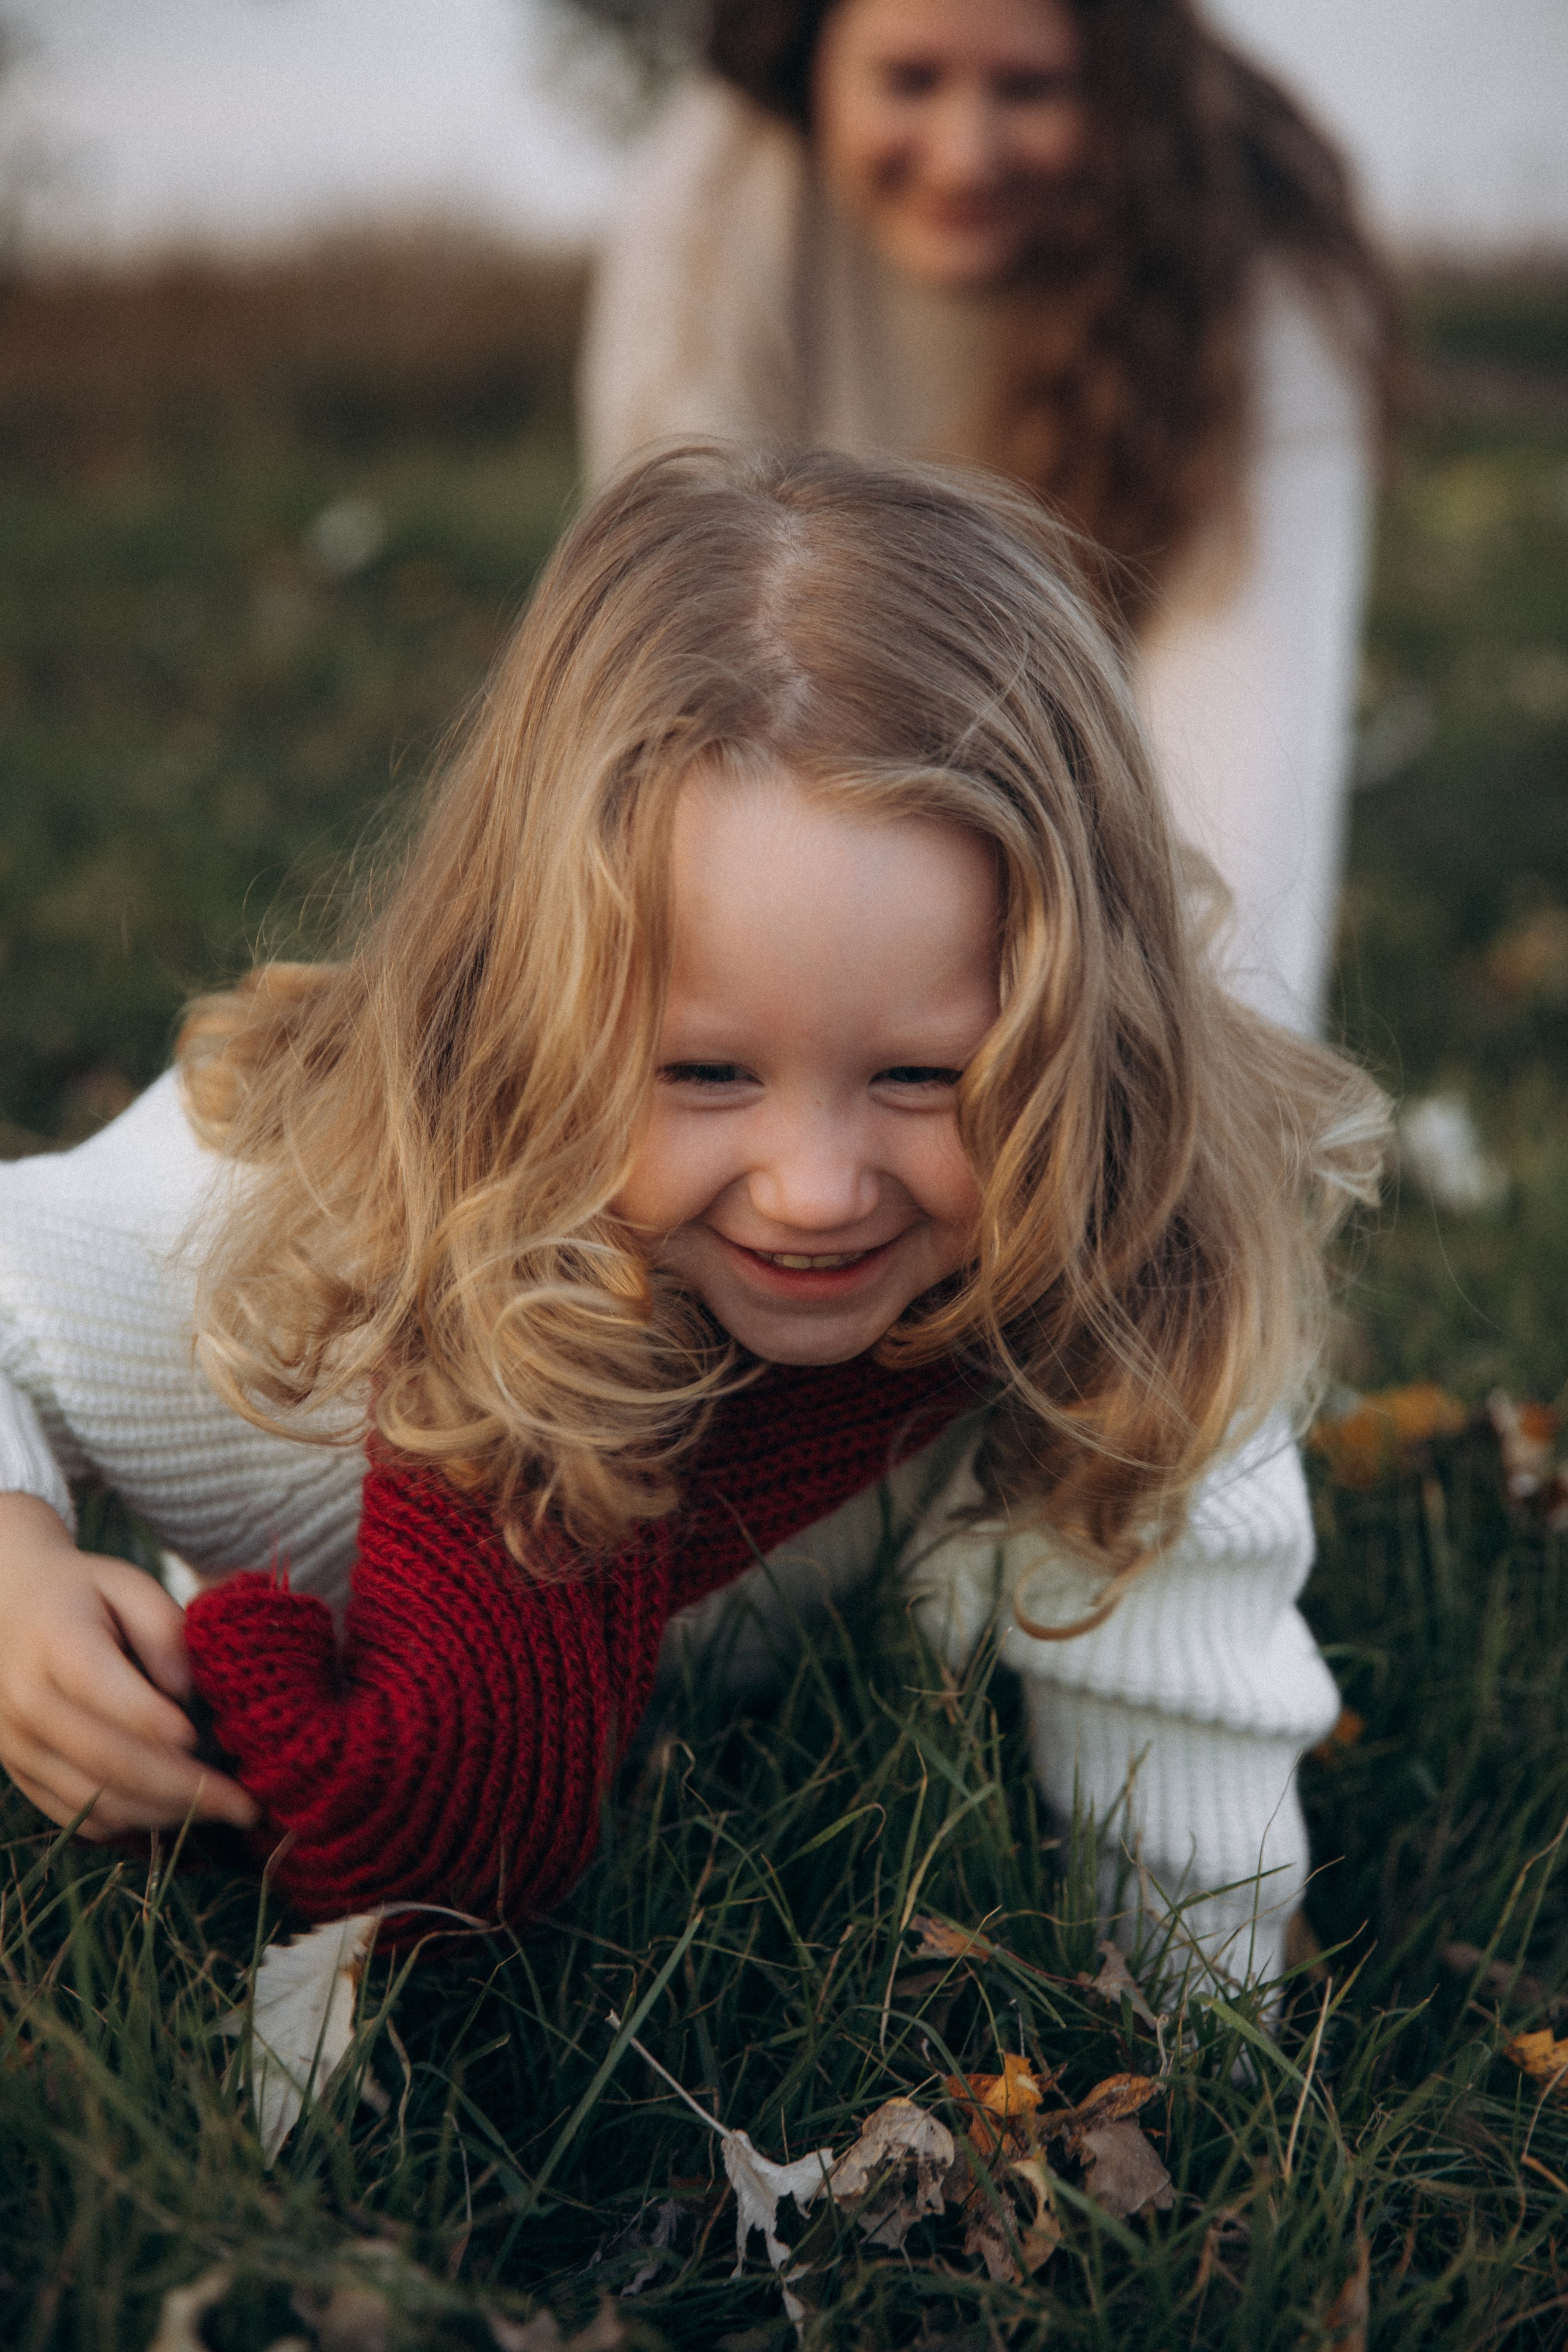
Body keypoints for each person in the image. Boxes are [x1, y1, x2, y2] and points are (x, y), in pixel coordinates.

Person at [0, 447, 1386, 1983]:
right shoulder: (312, 1208)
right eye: (707, 1072)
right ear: (525, 1019)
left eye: (927, 1075)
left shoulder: (1122, 1242)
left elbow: (1176, 1692)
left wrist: (1205, 2031)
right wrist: (11, 1570)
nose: (813, 1191)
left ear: (1082, 1038)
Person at [578, 0, 1405, 1033]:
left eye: (1030, 88)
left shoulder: (1265, 254)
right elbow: (677, 635)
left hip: (1095, 749)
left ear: (1124, 77)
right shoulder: (714, 192)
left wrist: (1211, 1072)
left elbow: (1243, 718)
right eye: (912, 80)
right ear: (814, 57)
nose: (966, 157)